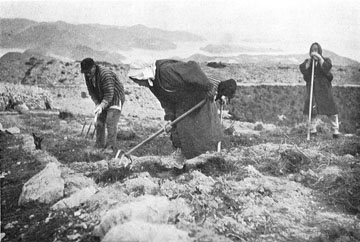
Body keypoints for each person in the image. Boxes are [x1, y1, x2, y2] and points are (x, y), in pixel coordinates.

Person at [127, 59, 236, 168]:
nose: (139, 84)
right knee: (178, 130)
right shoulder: (153, 84)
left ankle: (211, 161)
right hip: (182, 104)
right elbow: (165, 101)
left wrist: (208, 87)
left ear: (143, 74)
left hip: (199, 97)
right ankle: (181, 161)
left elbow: (193, 67)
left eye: (138, 80)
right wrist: (170, 118)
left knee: (202, 130)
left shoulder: (166, 70)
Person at [80, 58, 126, 151]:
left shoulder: (105, 74)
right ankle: (99, 146)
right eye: (85, 72)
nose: (87, 74)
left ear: (94, 67)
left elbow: (109, 94)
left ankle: (110, 148)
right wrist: (97, 104)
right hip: (102, 99)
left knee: (110, 121)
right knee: (99, 122)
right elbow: (91, 91)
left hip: (115, 98)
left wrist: (101, 106)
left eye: (89, 71)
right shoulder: (87, 75)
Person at [299, 42, 340, 138]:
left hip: (324, 89)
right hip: (313, 89)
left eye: (316, 50)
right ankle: (312, 129)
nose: (314, 52)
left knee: (331, 109)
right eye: (312, 50)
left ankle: (335, 130)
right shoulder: (307, 62)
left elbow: (327, 67)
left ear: (320, 51)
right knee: (312, 109)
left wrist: (320, 58)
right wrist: (309, 62)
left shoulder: (326, 60)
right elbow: (303, 70)